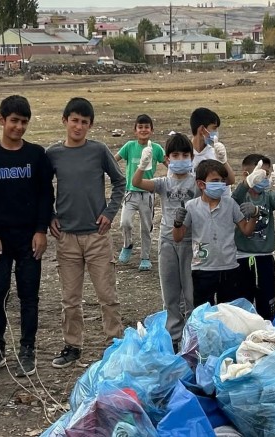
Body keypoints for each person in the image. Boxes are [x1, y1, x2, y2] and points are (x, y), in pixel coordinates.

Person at [0, 95, 55, 376]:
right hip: (0, 240)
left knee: (28, 295)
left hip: (29, 238)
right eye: (14, 121)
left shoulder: (36, 155)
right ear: (1, 120)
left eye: (24, 122)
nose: (18, 127)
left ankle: (27, 350)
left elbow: (46, 195)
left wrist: (41, 230)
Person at [47, 97, 126, 369]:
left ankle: (115, 344)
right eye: (74, 120)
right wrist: (49, 215)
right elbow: (42, 188)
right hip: (66, 238)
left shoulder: (98, 150)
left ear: (90, 125)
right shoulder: (53, 154)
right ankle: (72, 346)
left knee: (107, 295)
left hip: (97, 236)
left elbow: (120, 182)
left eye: (84, 122)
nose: (78, 126)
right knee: (70, 299)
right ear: (65, 121)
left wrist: (110, 213)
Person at [131, 133, 199, 347]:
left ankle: (193, 337)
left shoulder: (197, 183)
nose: (180, 159)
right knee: (170, 292)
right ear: (168, 159)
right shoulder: (163, 183)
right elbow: (137, 182)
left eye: (185, 155)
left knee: (191, 293)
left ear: (191, 158)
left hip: (190, 243)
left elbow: (224, 187)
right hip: (167, 242)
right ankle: (174, 337)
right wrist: (142, 165)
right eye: (175, 155)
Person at [173, 160, 259, 307]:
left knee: (227, 313)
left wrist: (255, 215)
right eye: (215, 181)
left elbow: (246, 230)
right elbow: (178, 237)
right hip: (202, 269)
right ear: (201, 184)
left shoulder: (230, 204)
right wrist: (177, 223)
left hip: (229, 267)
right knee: (204, 312)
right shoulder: (191, 206)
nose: (220, 184)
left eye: (222, 181)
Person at [232, 154, 275, 320]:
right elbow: (234, 199)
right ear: (246, 175)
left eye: (267, 174)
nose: (264, 178)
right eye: (260, 174)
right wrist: (246, 184)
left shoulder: (267, 196)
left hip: (265, 257)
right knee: (244, 301)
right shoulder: (242, 195)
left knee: (266, 299)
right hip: (243, 257)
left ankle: (267, 330)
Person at [114, 114, 164, 271]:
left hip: (147, 194)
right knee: (125, 222)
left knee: (146, 228)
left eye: (146, 127)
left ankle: (145, 257)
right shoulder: (129, 146)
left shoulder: (156, 148)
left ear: (152, 130)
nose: (143, 130)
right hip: (130, 193)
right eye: (140, 127)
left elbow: (168, 162)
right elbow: (114, 160)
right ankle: (127, 244)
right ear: (135, 130)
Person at [190, 107, 235, 184]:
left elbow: (230, 181)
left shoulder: (215, 153)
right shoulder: (183, 153)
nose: (216, 132)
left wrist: (223, 161)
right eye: (214, 128)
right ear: (202, 129)